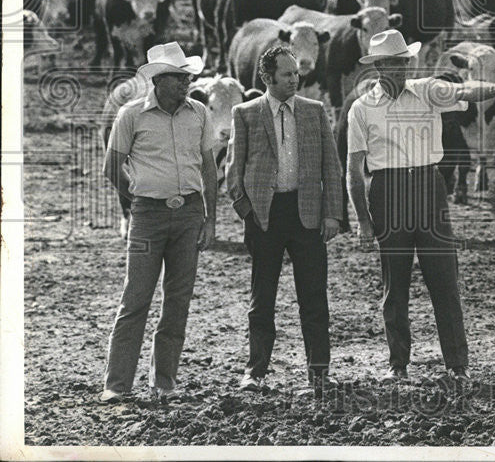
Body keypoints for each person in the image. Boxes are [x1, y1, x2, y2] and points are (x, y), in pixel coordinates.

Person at [346, 30, 495, 383]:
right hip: (388, 192)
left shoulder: (427, 89)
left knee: (444, 279)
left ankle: (457, 366)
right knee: (394, 285)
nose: (400, 69)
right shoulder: (362, 108)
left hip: (429, 187)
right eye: (392, 63)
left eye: (403, 62)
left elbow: (463, 91)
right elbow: (353, 169)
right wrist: (364, 221)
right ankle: (398, 364)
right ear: (378, 66)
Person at [226, 45, 345, 399]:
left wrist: (332, 214)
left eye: (296, 73)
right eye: (287, 74)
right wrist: (246, 210)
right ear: (267, 77)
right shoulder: (245, 113)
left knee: (314, 297)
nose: (295, 79)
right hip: (265, 215)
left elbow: (331, 166)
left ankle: (319, 375)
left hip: (307, 213)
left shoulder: (314, 111)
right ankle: (255, 372)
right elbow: (234, 169)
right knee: (262, 298)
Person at [100, 42, 217, 404]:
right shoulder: (132, 115)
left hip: (189, 213)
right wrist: (137, 198)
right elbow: (111, 166)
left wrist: (209, 219)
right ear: (159, 81)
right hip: (148, 216)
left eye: (187, 77)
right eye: (180, 78)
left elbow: (209, 168)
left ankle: (164, 382)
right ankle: (117, 385)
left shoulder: (199, 113)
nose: (187, 83)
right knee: (136, 298)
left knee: (177, 301)